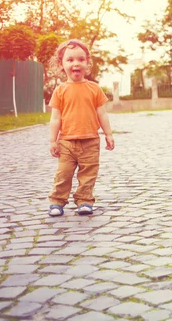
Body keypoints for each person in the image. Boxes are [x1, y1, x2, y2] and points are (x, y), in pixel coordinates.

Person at [47, 39, 115, 217]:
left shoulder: (94, 89)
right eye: (70, 60)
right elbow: (55, 118)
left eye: (80, 59)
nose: (75, 63)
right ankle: (57, 202)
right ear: (62, 64)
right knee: (63, 174)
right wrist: (52, 140)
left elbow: (102, 114)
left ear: (87, 63)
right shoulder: (60, 91)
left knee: (88, 175)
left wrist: (108, 134)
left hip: (90, 142)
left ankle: (84, 201)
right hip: (67, 143)